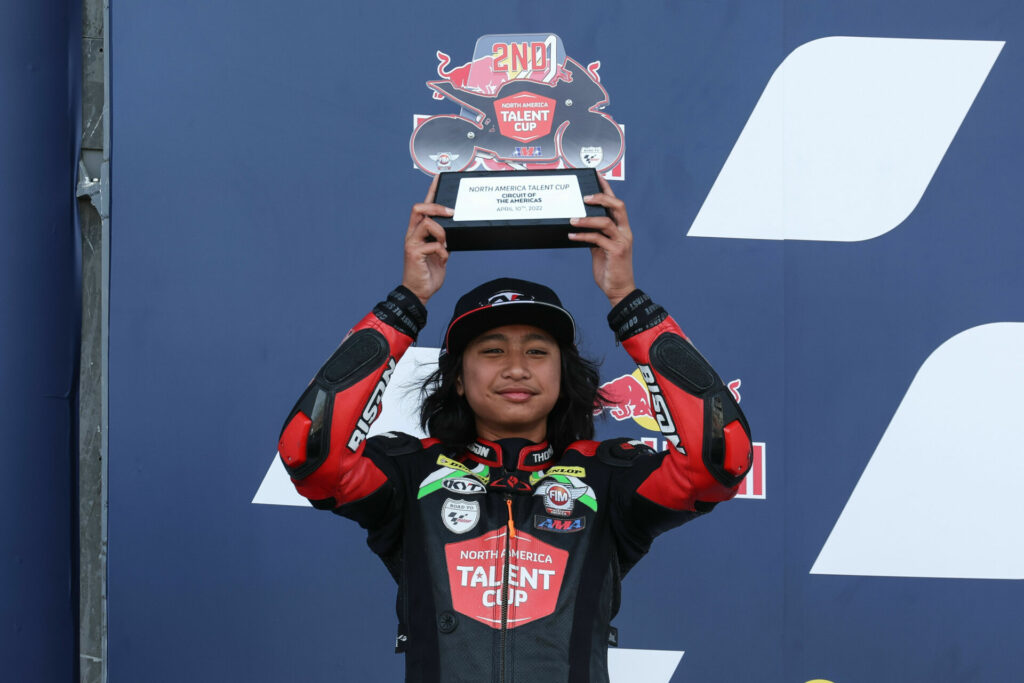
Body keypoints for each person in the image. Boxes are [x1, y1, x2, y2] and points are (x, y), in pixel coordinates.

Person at [278, 176, 752, 683]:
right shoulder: (409, 473)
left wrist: (627, 301)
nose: (517, 368)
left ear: (562, 375)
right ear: (457, 379)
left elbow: (721, 458)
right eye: (492, 350)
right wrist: (408, 301)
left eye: (537, 351)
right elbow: (311, 450)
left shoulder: (609, 478)